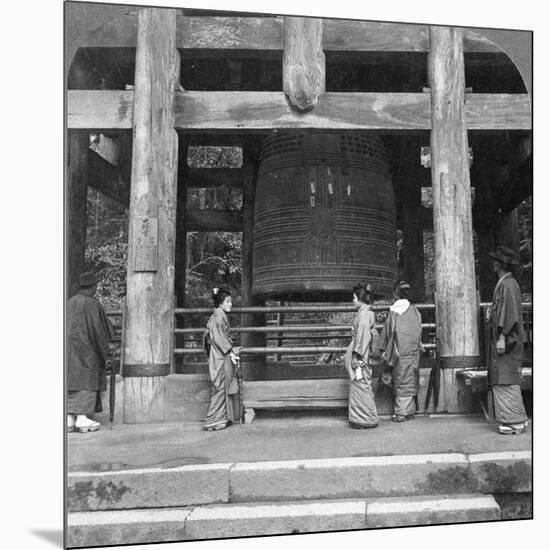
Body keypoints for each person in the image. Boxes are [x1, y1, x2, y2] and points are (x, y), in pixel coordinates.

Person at [487, 246, 528, 435]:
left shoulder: (508, 285)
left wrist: (503, 336)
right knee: (502, 376)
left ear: (501, 264)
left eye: (496, 260)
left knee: (505, 377)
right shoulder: (505, 283)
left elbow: (510, 314)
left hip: (507, 340)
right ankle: (513, 418)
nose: (493, 263)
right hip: (503, 339)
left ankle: (515, 420)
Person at [67, 272, 114, 433]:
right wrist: (106, 350)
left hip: (69, 352)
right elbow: (99, 331)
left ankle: (68, 418)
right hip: (88, 352)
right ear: (93, 287)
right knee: (86, 382)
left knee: (70, 381)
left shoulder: (69, 303)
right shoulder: (93, 304)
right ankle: (81, 418)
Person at [380, 281, 423, 422]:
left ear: (395, 294)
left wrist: (382, 350)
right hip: (413, 352)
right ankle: (409, 410)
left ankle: (401, 412)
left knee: (400, 380)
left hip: (399, 352)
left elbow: (388, 333)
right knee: (410, 378)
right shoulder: (415, 311)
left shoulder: (394, 312)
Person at [204, 287, 241, 431]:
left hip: (219, 354)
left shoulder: (219, 317)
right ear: (220, 303)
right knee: (220, 386)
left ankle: (220, 419)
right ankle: (213, 419)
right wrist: (230, 349)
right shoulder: (218, 318)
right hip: (219, 355)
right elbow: (218, 339)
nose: (230, 304)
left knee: (222, 386)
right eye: (228, 301)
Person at [344, 284, 379, 429]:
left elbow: (362, 336)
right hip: (362, 352)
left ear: (360, 298)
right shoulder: (365, 312)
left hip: (361, 355)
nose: (352, 300)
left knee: (361, 384)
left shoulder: (364, 314)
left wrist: (356, 356)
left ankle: (366, 418)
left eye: (354, 297)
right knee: (361, 385)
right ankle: (361, 417)